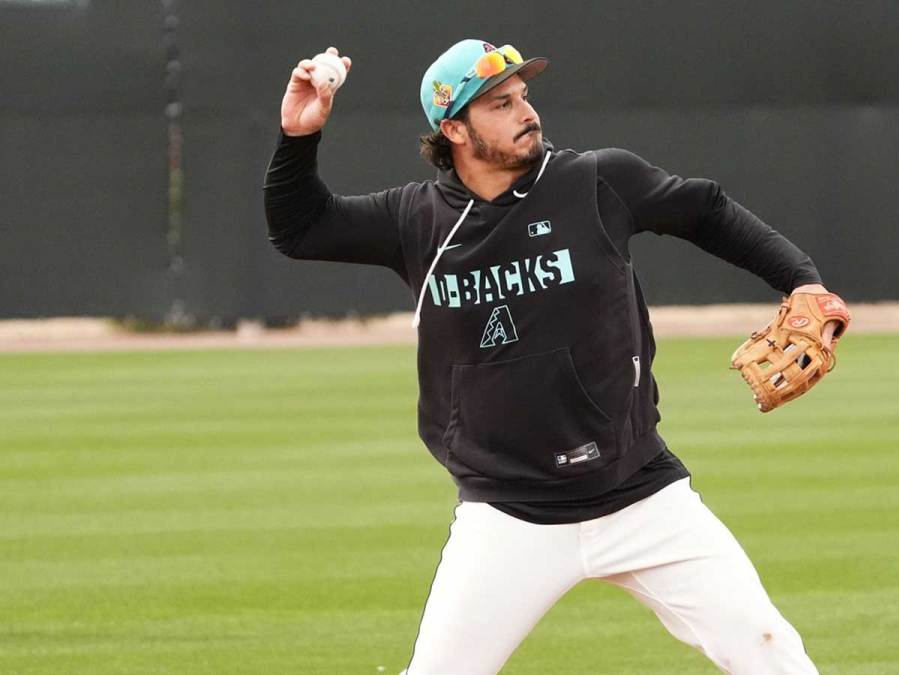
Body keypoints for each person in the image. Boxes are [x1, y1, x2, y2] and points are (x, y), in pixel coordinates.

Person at [264, 40, 841, 675]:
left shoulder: (595, 181)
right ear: (453, 128)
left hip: (642, 498)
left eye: (524, 96)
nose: (525, 111)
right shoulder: (418, 221)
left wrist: (802, 280)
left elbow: (705, 210)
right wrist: (299, 136)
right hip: (508, 517)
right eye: (500, 103)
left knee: (773, 655)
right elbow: (300, 229)